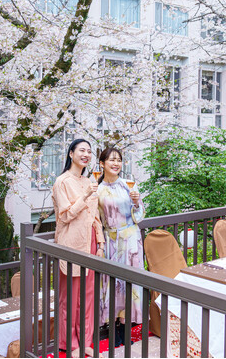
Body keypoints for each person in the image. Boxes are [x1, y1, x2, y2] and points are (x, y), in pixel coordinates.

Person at [52, 139, 105, 357]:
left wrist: (100, 242)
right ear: (71, 153)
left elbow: (95, 216)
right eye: (81, 150)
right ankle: (70, 343)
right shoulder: (62, 182)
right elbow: (64, 216)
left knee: (88, 295)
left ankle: (87, 341)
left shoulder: (88, 180)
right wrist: (85, 196)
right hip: (71, 243)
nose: (86, 154)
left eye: (89, 152)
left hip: (90, 242)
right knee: (69, 297)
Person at [96, 147, 144, 347]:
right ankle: (113, 329)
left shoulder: (127, 185)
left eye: (119, 160)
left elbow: (139, 215)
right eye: (111, 160)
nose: (116, 163)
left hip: (131, 239)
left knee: (130, 284)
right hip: (111, 241)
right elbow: (96, 218)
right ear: (102, 164)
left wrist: (136, 203)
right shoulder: (96, 189)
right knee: (111, 284)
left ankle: (126, 329)